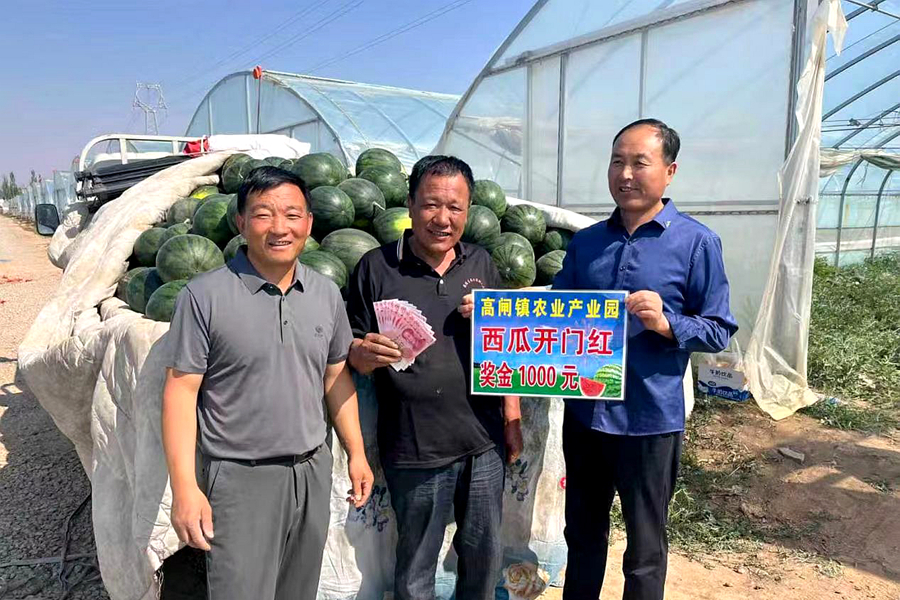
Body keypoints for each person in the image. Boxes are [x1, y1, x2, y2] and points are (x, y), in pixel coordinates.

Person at [161, 166, 374, 600]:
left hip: (311, 471)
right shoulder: (203, 296)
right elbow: (181, 392)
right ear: (241, 222)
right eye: (263, 214)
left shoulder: (325, 294)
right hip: (240, 478)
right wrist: (184, 487)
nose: (280, 228)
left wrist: (356, 452)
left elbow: (335, 376)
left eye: (292, 215)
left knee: (299, 592)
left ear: (309, 223)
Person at [553, 119, 738, 600]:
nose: (625, 174)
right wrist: (491, 315)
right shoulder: (586, 242)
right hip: (585, 415)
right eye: (617, 161)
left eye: (640, 162)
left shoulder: (697, 243)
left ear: (670, 171)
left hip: (650, 419)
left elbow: (719, 328)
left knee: (645, 548)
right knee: (582, 535)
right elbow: (553, 314)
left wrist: (667, 323)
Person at [346, 155, 523, 600]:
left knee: (483, 558)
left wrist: (512, 417)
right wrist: (364, 353)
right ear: (409, 204)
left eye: (455, 207)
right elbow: (350, 351)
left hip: (483, 443)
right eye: (430, 204)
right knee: (416, 568)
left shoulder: (482, 263)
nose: (442, 219)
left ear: (468, 210)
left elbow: (510, 345)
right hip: (414, 446)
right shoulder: (375, 267)